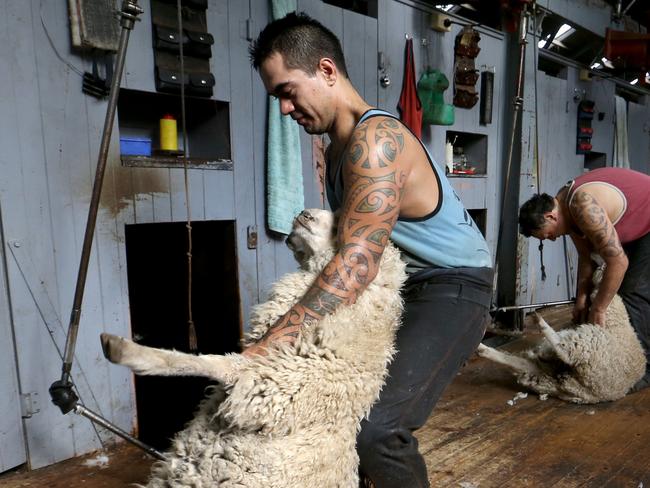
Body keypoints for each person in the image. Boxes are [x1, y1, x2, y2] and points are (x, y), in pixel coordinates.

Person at [246, 12, 493, 487]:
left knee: (377, 428)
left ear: (326, 71)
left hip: (453, 285)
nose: (283, 109)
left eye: (286, 91)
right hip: (401, 287)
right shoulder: (335, 147)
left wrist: (275, 340)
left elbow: (356, 260)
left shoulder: (375, 142)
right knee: (336, 406)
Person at [519, 166, 650, 389]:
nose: (550, 240)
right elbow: (586, 257)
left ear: (550, 216)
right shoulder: (565, 209)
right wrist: (580, 298)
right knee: (604, 293)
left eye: (548, 235)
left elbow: (618, 262)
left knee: (632, 292)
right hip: (638, 224)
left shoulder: (582, 206)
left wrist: (598, 309)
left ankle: (641, 369)